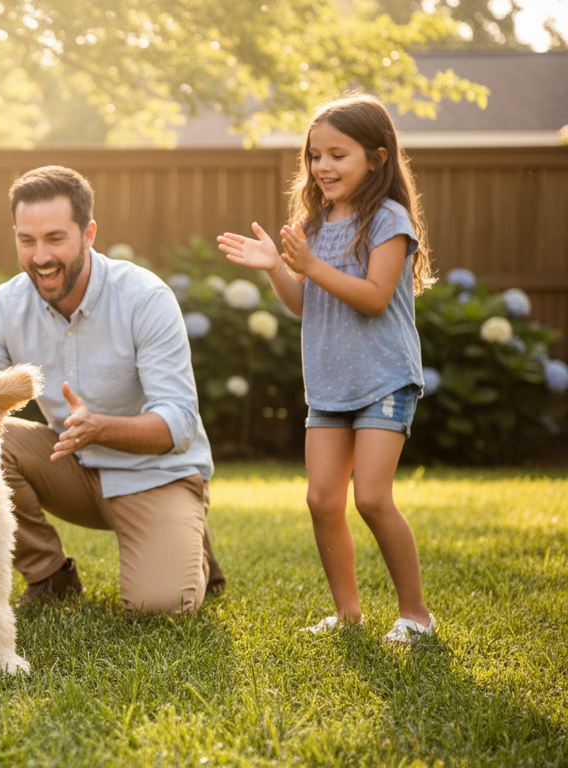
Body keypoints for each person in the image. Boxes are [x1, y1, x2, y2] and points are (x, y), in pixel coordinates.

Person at [0, 165, 224, 616]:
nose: (40, 256)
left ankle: (187, 532)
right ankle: (49, 573)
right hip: (70, 463)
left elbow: (179, 422)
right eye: (27, 240)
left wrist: (101, 428)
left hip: (154, 473)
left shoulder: (144, 298)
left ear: (89, 233)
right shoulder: (5, 305)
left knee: (159, 606)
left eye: (55, 238)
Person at [218, 93, 436, 643]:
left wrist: (311, 264)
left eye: (338, 155)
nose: (322, 167)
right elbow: (301, 303)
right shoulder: (312, 223)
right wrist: (277, 267)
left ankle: (416, 616)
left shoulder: (389, 218)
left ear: (377, 157)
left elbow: (375, 297)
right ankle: (348, 614)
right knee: (320, 499)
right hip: (330, 383)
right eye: (315, 156)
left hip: (384, 377)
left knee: (370, 497)